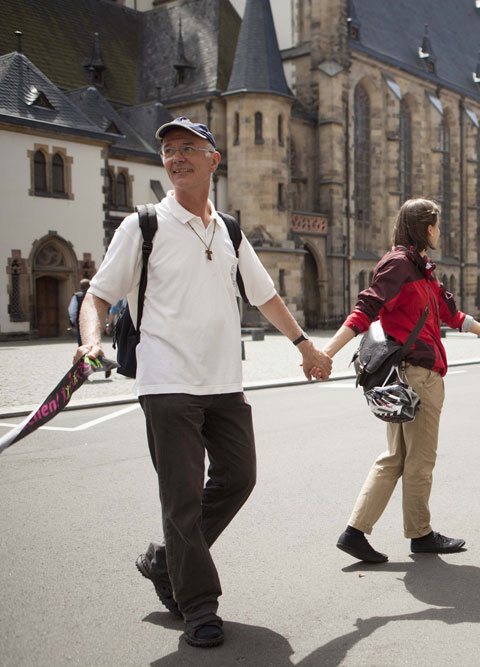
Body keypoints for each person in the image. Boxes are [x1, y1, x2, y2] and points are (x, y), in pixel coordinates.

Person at [73, 117, 332, 649]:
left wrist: (304, 345)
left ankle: (166, 562)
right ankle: (198, 606)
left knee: (239, 477)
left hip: (223, 382)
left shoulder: (230, 230)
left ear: (215, 159)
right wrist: (90, 341)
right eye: (168, 150)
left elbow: (265, 296)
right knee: (183, 499)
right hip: (166, 382)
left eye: (189, 148)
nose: (177, 157)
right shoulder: (143, 225)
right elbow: (98, 295)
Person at [323, 199, 480, 560]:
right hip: (417, 377)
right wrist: (325, 354)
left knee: (395, 457)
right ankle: (420, 535)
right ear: (425, 228)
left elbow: (453, 316)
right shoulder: (400, 265)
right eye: (437, 224)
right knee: (419, 459)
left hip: (414, 376)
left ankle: (354, 531)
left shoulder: (422, 270)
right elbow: (366, 310)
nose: (441, 231)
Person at [67, 278, 90, 345]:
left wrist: (73, 320)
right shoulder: (93, 296)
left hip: (80, 321)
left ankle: (84, 354)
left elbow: (72, 311)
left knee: (82, 341)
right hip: (92, 320)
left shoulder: (77, 296)